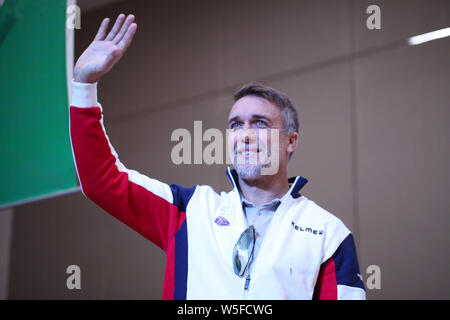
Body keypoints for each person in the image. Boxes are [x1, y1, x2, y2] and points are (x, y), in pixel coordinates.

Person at [69, 13, 366, 300]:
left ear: (291, 141)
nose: (245, 134)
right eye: (236, 125)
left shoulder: (328, 234)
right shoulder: (188, 211)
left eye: (260, 123)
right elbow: (102, 182)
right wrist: (84, 85)